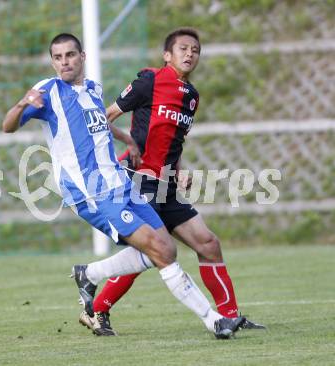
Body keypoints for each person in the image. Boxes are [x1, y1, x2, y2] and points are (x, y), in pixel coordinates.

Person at [2, 32, 245, 339]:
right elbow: (8, 126)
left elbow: (99, 123)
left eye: (70, 55)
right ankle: (214, 321)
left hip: (120, 181)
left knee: (164, 249)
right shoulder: (47, 91)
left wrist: (127, 138)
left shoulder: (92, 89)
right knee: (160, 250)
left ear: (82, 57)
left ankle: (88, 274)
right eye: (58, 57)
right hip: (91, 189)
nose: (64, 62)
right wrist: (23, 103)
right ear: (53, 61)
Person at [78, 27, 266, 336]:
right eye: (183, 48)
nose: (190, 53)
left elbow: (173, 142)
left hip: (166, 184)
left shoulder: (191, 97)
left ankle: (231, 316)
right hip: (138, 180)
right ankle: (97, 308)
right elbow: (105, 116)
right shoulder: (149, 81)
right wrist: (102, 160)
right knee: (153, 251)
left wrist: (179, 171)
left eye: (195, 50)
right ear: (168, 55)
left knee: (208, 244)